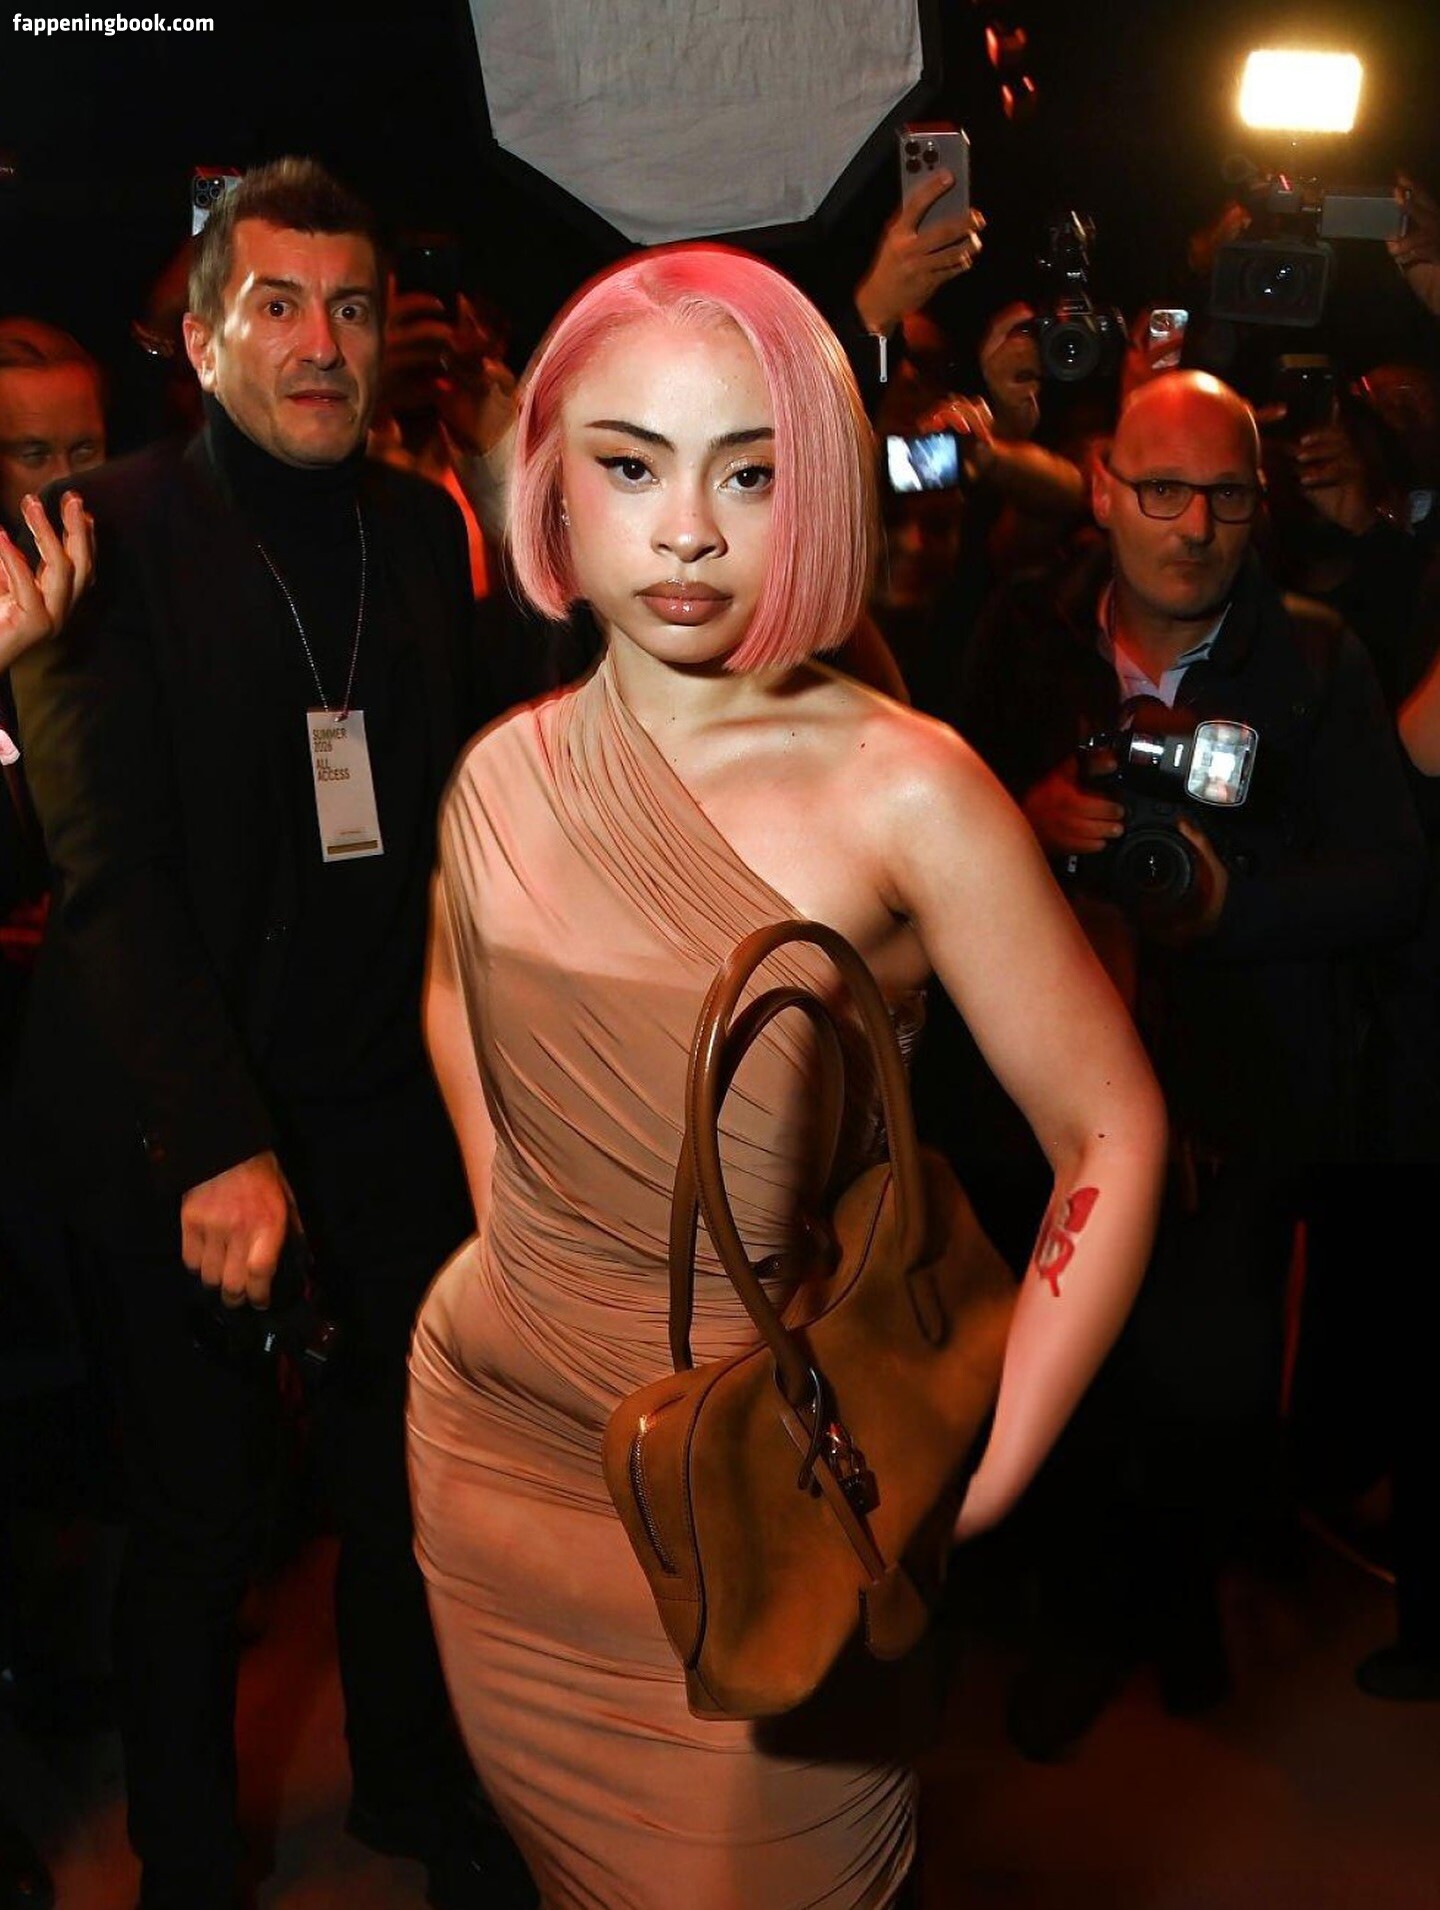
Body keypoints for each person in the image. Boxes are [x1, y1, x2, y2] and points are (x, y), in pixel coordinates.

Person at [406, 243, 1168, 1907]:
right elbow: (456, 998)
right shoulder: (499, 773)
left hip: (761, 1481)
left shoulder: (906, 789)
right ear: (549, 485)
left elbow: (1109, 1122)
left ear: (813, 486)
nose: (688, 528)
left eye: (747, 473)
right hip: (497, 1450)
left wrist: (992, 1461)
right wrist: (529, 1238)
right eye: (631, 467)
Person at [12, 158, 529, 1909]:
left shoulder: (422, 530)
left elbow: (478, 799)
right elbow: (109, 878)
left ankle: (408, 1785)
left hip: (381, 1100)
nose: (322, 342)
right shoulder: (106, 534)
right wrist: (217, 1143)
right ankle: (185, 1863)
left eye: (353, 306)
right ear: (203, 335)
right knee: (198, 1517)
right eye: (278, 304)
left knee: (407, 1480)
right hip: (187, 1112)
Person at [955, 370, 1426, 1753]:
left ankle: (1183, 1606)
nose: (1194, 526)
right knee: (1066, 1372)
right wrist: (1024, 818)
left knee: (1208, 1381)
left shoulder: (1316, 658)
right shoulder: (1024, 632)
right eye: (1163, 490)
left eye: (1224, 495)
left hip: (1239, 1093)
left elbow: (1393, 881)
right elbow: (929, 815)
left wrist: (1232, 906)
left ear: (1256, 505)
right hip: (1047, 1087)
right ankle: (1101, 1623)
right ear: (1103, 488)